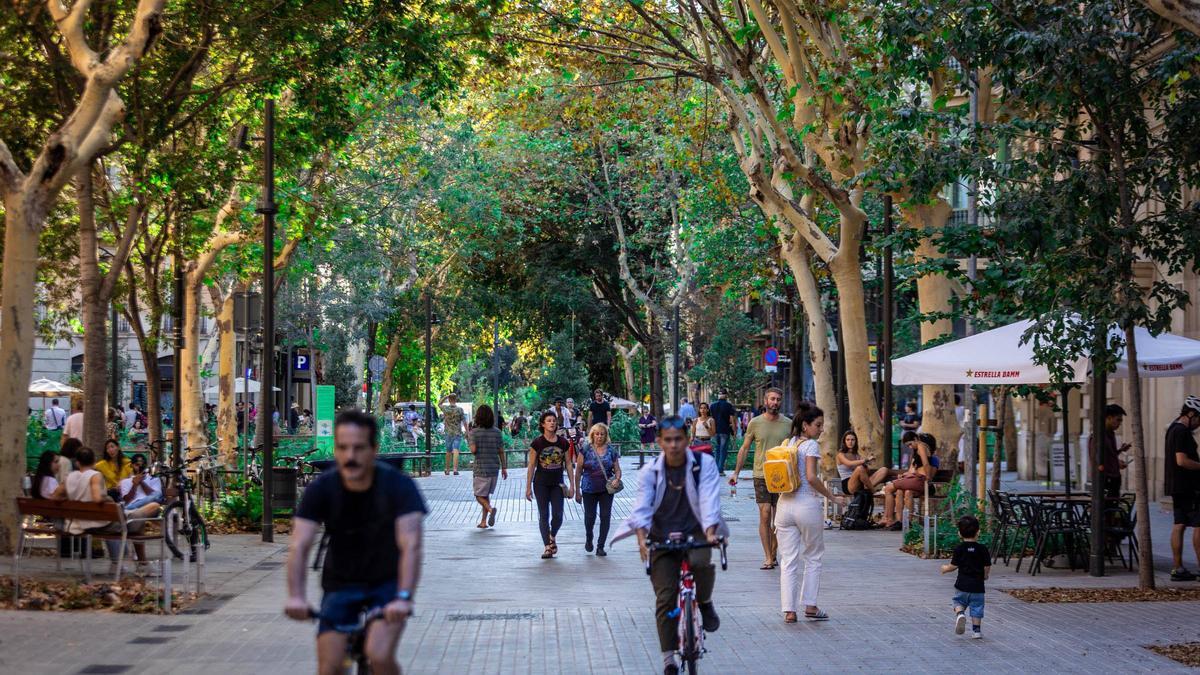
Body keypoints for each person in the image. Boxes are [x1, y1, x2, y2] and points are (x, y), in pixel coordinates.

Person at [284, 410, 427, 675]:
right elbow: (299, 546)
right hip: (340, 583)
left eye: (359, 448)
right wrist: (296, 596)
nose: (350, 457)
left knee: (379, 655)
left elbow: (411, 545)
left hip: (387, 584)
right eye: (343, 448)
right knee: (330, 666)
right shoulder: (322, 488)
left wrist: (404, 597)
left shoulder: (398, 486)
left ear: (374, 449)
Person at [611, 415, 727, 675]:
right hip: (661, 536)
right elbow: (641, 509)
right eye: (668, 440)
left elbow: (709, 500)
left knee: (701, 563)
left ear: (687, 440)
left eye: (678, 439)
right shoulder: (650, 471)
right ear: (659, 442)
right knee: (665, 598)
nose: (674, 445)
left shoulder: (702, 464)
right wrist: (642, 540)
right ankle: (668, 659)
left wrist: (710, 533)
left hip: (697, 532)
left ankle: (705, 603)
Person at [776, 402, 847, 623]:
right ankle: (811, 606)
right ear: (805, 425)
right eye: (818, 425)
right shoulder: (811, 446)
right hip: (806, 505)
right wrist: (833, 497)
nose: (821, 429)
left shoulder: (787, 443)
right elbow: (812, 477)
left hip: (784, 505)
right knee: (813, 556)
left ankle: (789, 610)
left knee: (788, 560)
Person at [49, 446, 161, 575]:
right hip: (99, 523)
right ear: (94, 461)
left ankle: (119, 564)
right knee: (149, 511)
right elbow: (97, 498)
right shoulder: (95, 476)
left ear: (77, 462)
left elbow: (55, 497)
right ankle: (141, 564)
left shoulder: (69, 477)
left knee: (136, 517)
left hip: (78, 522)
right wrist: (108, 498)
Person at [730, 387, 792, 569]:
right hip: (761, 474)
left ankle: (773, 553)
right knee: (765, 514)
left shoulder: (788, 424)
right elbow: (744, 448)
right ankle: (767, 556)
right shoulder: (755, 423)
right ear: (765, 401)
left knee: (779, 519)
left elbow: (795, 451)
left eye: (778, 399)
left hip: (782, 476)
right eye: (772, 399)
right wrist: (736, 473)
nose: (775, 402)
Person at [525, 411, 572, 559]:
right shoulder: (537, 443)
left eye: (554, 420)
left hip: (558, 484)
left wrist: (573, 487)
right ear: (543, 424)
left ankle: (552, 536)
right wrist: (527, 487)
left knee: (558, 515)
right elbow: (531, 465)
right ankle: (547, 547)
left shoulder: (563, 443)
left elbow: (569, 465)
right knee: (544, 515)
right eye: (549, 421)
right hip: (541, 484)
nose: (552, 423)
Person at [1165, 396, 1200, 581]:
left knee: (1179, 524)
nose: (1198, 424)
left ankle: (1177, 569)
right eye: (1199, 419)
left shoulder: (1172, 428)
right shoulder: (1182, 431)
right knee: (1198, 525)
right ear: (1191, 413)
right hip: (1189, 487)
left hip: (1176, 486)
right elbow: (1181, 460)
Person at [574, 423, 622, 556]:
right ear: (592, 435)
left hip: (606, 489)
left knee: (605, 517)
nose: (599, 436)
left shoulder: (611, 451)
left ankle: (600, 546)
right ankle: (589, 538)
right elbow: (578, 471)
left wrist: (617, 479)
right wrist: (577, 491)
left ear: (606, 436)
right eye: (597, 434)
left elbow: (617, 469)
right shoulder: (585, 449)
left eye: (602, 434)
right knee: (590, 517)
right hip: (589, 488)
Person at [940, 515, 990, 639]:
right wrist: (985, 576)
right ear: (978, 532)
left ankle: (960, 613)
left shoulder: (959, 549)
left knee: (958, 601)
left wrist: (945, 569)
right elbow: (987, 566)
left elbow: (953, 566)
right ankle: (976, 631)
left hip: (962, 584)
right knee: (977, 607)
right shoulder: (982, 549)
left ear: (959, 533)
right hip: (978, 586)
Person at [881, 431, 938, 531]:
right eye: (908, 446)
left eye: (910, 444)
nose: (910, 447)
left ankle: (888, 519)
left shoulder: (921, 446)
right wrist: (904, 475)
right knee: (900, 491)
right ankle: (902, 522)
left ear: (916, 439)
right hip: (915, 479)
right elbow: (913, 469)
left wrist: (928, 479)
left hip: (920, 479)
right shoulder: (916, 450)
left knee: (888, 488)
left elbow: (926, 464)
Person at [469, 404, 507, 529]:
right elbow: (501, 451)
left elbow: (473, 450)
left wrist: (470, 440)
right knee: (486, 496)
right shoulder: (497, 432)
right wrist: (504, 468)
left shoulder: (474, 432)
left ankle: (490, 510)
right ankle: (483, 522)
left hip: (481, 468)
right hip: (494, 468)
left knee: (478, 495)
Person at [1089, 404, 1130, 500]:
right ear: (1109, 418)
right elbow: (1098, 459)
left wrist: (1120, 451)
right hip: (1105, 479)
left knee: (1112, 509)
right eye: (1118, 420)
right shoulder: (1098, 436)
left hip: (1114, 477)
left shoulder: (1110, 434)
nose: (1119, 424)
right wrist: (1116, 463)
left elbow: (1110, 454)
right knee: (1107, 508)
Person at [836, 430, 889, 496]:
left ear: (856, 441)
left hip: (862, 484)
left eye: (853, 440)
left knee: (884, 470)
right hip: (848, 485)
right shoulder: (840, 455)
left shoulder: (857, 455)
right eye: (848, 440)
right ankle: (873, 491)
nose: (850, 442)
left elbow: (867, 472)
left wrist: (867, 464)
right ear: (844, 441)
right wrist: (865, 460)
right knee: (859, 468)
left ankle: (868, 488)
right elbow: (849, 463)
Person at [709, 390, 737, 476]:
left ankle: (716, 468)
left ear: (718, 395)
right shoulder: (728, 405)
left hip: (715, 430)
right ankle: (720, 470)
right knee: (723, 450)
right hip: (725, 430)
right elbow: (732, 419)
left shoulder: (712, 405)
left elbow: (710, 418)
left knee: (717, 449)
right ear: (726, 396)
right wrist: (734, 431)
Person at [439, 393, 467, 475]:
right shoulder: (460, 409)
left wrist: (445, 396)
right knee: (456, 450)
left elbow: (439, 403)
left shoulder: (445, 408)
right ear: (456, 399)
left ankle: (447, 470)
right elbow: (464, 422)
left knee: (448, 451)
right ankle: (455, 469)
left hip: (448, 432)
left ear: (449, 399)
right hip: (457, 433)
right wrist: (467, 432)